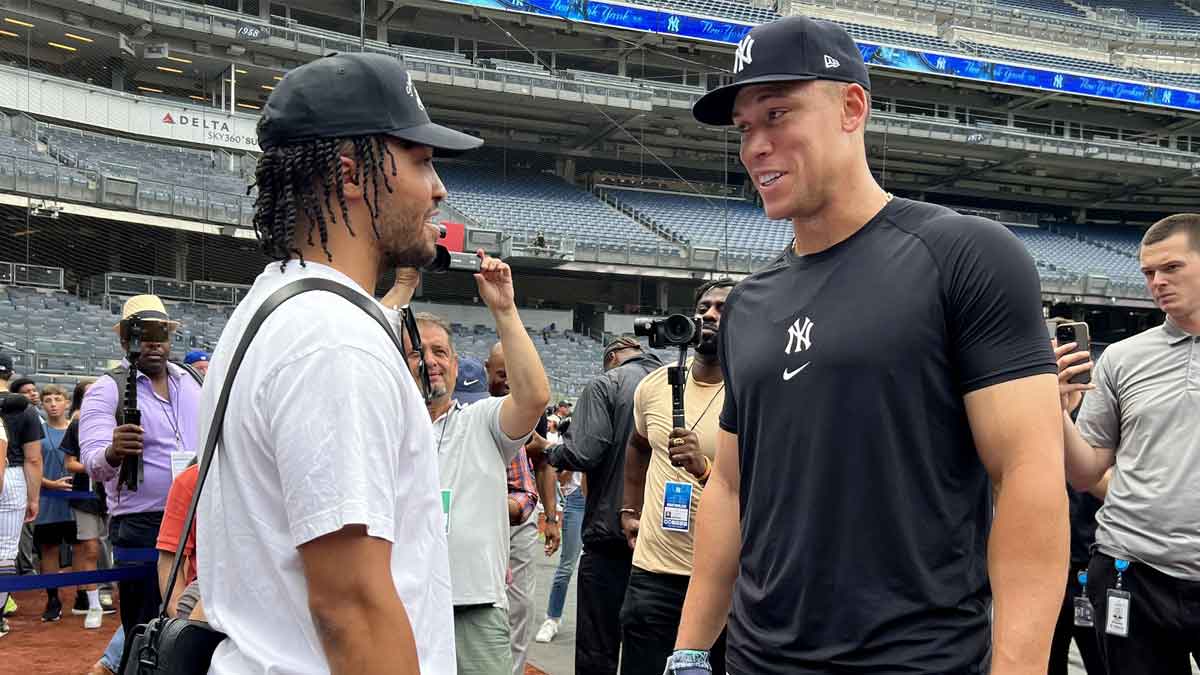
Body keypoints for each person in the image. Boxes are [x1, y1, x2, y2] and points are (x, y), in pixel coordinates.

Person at [671, 16, 1067, 674]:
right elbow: (731, 490)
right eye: (745, 127)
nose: (755, 147)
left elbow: (1028, 474)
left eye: (778, 113)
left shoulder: (965, 255)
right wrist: (688, 649)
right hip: (756, 660)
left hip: (916, 662)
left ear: (852, 107)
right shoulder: (747, 303)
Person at [196, 52, 481, 674]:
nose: (438, 188)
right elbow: (350, 607)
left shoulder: (273, 309)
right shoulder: (332, 339)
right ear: (351, 174)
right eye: (421, 160)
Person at [1059, 213, 1200, 673]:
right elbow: (1084, 472)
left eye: (1171, 268)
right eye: (1148, 272)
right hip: (1131, 570)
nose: (1156, 282)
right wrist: (1058, 411)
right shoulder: (1122, 358)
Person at [401, 278, 550, 674]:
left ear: (454, 362)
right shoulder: (384, 428)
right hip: (399, 605)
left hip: (473, 605)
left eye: (440, 351)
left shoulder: (481, 421)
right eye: (416, 351)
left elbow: (534, 397)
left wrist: (504, 311)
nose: (429, 360)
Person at [619, 279, 733, 675]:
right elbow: (636, 446)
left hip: (723, 583)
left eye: (722, 308)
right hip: (653, 575)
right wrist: (628, 509)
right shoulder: (653, 386)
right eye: (704, 308)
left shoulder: (753, 391)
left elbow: (764, 484)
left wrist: (702, 468)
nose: (710, 316)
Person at [79, 295, 202, 635]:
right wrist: (113, 452)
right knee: (148, 629)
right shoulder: (106, 389)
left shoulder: (192, 381)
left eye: (159, 332)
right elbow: (93, 460)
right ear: (124, 340)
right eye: (141, 332)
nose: (152, 341)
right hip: (143, 523)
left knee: (199, 624)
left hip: (199, 515)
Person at [545, 336, 663, 675]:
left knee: (599, 648)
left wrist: (551, 451)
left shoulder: (607, 383)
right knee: (651, 650)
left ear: (612, 357)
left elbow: (584, 451)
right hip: (663, 541)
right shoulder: (675, 380)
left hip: (610, 535)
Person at [484, 342, 560, 675]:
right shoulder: (469, 407)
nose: (510, 383)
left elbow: (543, 464)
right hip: (475, 519)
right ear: (486, 369)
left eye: (515, 375)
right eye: (502, 375)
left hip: (520, 517)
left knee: (519, 607)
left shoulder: (531, 409)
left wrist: (552, 517)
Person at [1045, 317, 1104, 675]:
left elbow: (1099, 479)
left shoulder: (1104, 409)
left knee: (1103, 661)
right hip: (1044, 564)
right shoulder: (1027, 406)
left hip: (1093, 562)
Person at [0, 353, 45, 638]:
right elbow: (33, 459)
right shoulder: (24, 408)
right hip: (14, 475)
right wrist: (34, 498)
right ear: (11, 375)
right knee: (4, 552)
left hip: (12, 471)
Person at [32, 384, 78, 624]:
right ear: (41, 404)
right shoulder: (37, 432)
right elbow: (32, 465)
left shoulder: (77, 428)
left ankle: (84, 595)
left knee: (82, 548)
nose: (52, 403)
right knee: (48, 550)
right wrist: (51, 484)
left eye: (57, 398)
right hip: (48, 500)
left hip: (77, 501)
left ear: (67, 403)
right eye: (47, 399)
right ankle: (53, 599)